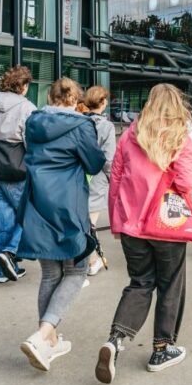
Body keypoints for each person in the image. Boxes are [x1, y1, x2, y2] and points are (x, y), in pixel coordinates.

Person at [96, 84, 192, 383]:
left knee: (140, 282)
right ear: (177, 104)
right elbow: (187, 182)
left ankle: (115, 340)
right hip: (165, 224)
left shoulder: (130, 134)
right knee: (170, 284)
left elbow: (115, 178)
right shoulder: (179, 134)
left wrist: (116, 221)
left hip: (131, 223)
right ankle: (162, 348)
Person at [16, 78, 106, 371]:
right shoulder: (81, 126)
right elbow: (94, 164)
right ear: (73, 99)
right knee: (77, 270)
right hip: (68, 203)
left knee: (50, 272)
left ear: (51, 96)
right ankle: (43, 335)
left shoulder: (33, 121)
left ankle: (49, 341)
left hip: (36, 201)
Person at [0, 66, 36, 283]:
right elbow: (31, 145)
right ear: (22, 86)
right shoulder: (27, 109)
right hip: (18, 173)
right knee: (28, 214)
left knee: (3, 222)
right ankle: (10, 253)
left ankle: (3, 271)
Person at [83, 86, 117, 277]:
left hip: (77, 176)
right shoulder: (106, 126)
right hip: (96, 178)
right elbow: (109, 158)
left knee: (83, 222)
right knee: (90, 225)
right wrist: (113, 180)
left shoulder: (77, 121)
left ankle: (90, 259)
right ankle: (90, 261)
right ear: (103, 102)